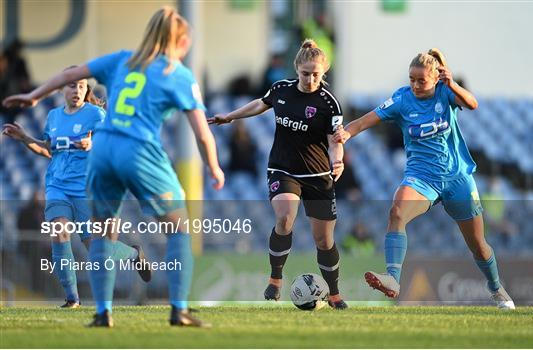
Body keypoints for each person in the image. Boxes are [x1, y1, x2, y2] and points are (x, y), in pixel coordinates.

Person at [3, 6, 224, 327]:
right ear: (181, 42)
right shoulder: (178, 74)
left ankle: (102, 313)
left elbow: (69, 73)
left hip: (103, 150)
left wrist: (34, 95)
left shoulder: (122, 59)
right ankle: (179, 310)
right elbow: (202, 133)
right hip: (137, 149)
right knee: (178, 228)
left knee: (102, 235)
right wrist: (214, 167)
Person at [333, 48, 515, 309]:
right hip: (421, 179)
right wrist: (345, 134)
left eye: (421, 80)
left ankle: (496, 288)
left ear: (435, 78)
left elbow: (472, 104)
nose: (416, 85)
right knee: (396, 212)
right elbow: (363, 122)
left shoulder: (445, 93)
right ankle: (393, 279)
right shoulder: (402, 99)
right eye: (411, 79)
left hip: (457, 179)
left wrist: (451, 83)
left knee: (478, 245)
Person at [209, 39, 347, 309]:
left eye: (315, 75)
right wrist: (231, 116)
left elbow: (335, 140)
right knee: (285, 218)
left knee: (324, 239)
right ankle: (275, 280)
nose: (309, 79)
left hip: (318, 175)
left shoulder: (329, 104)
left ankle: (334, 292)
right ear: (297, 69)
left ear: (324, 73)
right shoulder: (281, 89)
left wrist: (338, 161)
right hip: (282, 168)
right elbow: (260, 104)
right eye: (305, 74)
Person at [3, 76, 148, 309]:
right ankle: (72, 298)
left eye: (82, 86)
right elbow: (47, 149)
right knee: (59, 233)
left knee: (95, 248)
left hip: (85, 188)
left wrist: (93, 144)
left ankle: (133, 255)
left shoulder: (95, 115)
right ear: (62, 89)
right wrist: (24, 138)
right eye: (72, 85)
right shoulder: (54, 117)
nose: (77, 90)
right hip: (57, 186)